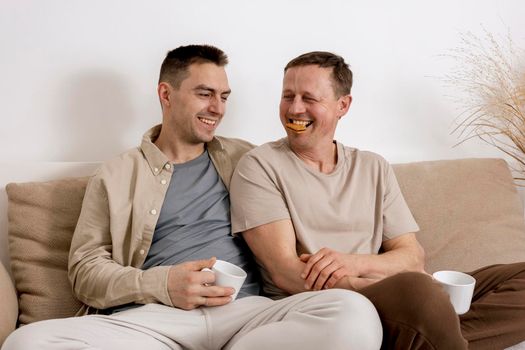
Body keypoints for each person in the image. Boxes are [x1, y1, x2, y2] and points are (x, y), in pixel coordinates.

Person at [2, 45, 383, 350]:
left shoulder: (248, 159)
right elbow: (85, 271)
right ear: (165, 94)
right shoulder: (117, 174)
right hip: (152, 321)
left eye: (223, 96)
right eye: (204, 94)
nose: (217, 108)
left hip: (247, 316)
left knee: (353, 314)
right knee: (28, 342)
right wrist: (161, 284)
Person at [230, 51, 525, 349]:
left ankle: (431, 335)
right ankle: (431, 329)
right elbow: (287, 274)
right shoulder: (260, 166)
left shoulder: (372, 166)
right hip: (327, 308)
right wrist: (387, 282)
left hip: (395, 297)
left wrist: (353, 263)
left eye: (309, 98)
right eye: (287, 96)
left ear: (342, 105)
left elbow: (412, 257)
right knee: (419, 289)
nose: (295, 108)